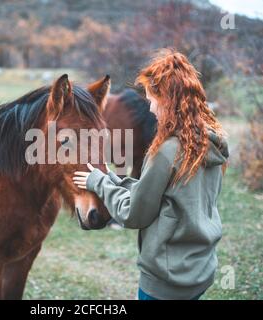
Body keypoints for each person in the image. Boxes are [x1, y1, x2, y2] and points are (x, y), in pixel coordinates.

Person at [73, 48, 229, 300]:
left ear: (167, 100)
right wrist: (110, 179)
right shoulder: (209, 143)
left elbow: (134, 214)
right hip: (199, 269)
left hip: (166, 281)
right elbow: (164, 195)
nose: (152, 110)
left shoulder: (168, 150)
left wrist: (99, 182)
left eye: (152, 101)